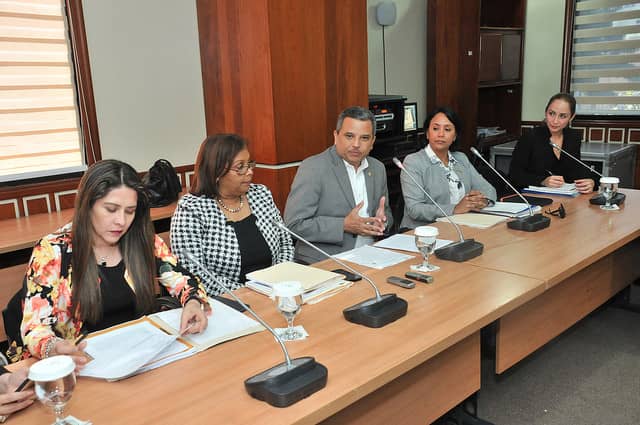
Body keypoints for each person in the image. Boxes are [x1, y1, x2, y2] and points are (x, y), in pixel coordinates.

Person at [8, 160, 209, 365]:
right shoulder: (53, 251)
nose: (121, 221)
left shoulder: (143, 240)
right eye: (111, 209)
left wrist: (193, 303)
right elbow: (34, 328)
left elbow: (184, 280)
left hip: (138, 357)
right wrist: (53, 347)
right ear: (87, 205)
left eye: (129, 211)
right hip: (81, 363)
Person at [171, 134, 294, 295]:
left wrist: (278, 283)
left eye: (249, 164)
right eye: (240, 167)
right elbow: (194, 273)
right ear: (216, 171)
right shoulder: (192, 209)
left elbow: (286, 244)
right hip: (227, 301)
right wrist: (249, 292)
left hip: (277, 291)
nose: (249, 172)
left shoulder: (261, 194)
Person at [283, 106, 393, 264]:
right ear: (336, 136)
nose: (356, 144)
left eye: (364, 138)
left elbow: (386, 213)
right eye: (349, 136)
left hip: (371, 257)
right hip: (324, 262)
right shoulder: (314, 168)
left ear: (372, 142)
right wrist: (343, 225)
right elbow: (294, 225)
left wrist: (383, 221)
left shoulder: (377, 168)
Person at [400, 106, 497, 228]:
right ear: (427, 133)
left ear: (454, 136)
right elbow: (415, 209)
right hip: (424, 231)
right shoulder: (413, 162)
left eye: (447, 129)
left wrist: (483, 201)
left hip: (461, 225)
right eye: (435, 128)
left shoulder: (460, 158)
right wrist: (455, 209)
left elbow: (488, 189)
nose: (441, 134)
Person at [509, 92, 595, 193]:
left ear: (571, 117)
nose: (555, 121)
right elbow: (514, 175)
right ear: (546, 112)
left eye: (562, 116)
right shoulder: (530, 137)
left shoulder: (573, 137)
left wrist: (592, 182)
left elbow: (576, 170)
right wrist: (542, 181)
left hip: (564, 196)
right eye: (552, 113)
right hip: (532, 197)